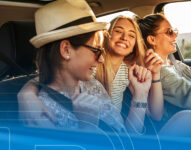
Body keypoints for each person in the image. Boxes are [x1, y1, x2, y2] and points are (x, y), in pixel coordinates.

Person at [19, 0, 153, 134]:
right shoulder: (40, 110)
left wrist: (140, 95)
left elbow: (126, 137)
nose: (101, 60)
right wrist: (88, 126)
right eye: (96, 51)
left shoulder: (93, 86)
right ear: (66, 50)